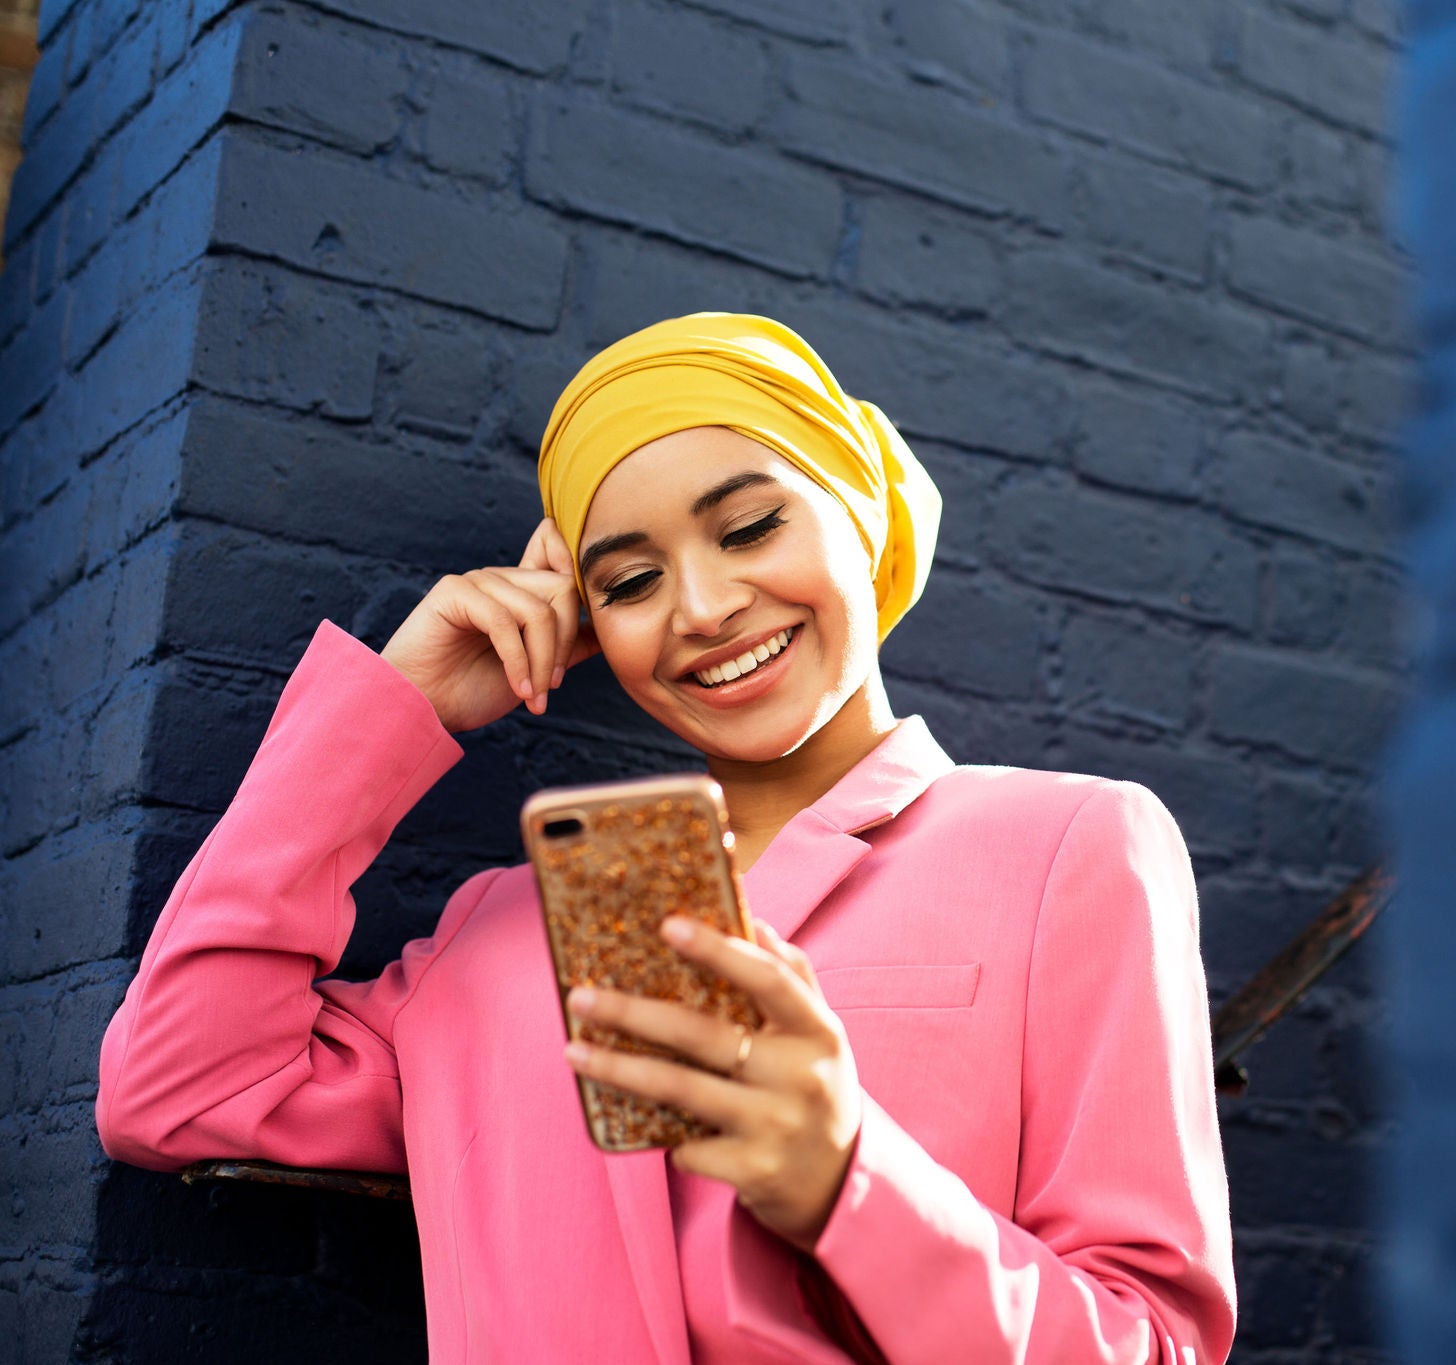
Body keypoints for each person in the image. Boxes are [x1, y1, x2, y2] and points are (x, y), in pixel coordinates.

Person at [95, 313, 1237, 1363]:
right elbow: (175, 1087)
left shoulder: (1070, 846)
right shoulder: (506, 930)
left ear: (863, 508)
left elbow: (1152, 1342)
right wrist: (398, 711)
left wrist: (848, 1179)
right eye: (631, 581)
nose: (698, 607)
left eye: (748, 525)